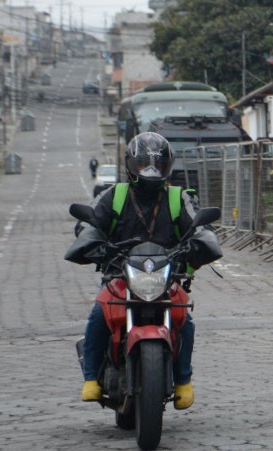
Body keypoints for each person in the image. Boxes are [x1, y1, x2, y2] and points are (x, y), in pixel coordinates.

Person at [80, 132, 200, 409]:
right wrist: (87, 240)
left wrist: (202, 240)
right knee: (99, 313)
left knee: (186, 321)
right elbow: (91, 225)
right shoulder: (115, 195)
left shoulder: (178, 198)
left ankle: (183, 380)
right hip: (120, 276)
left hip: (165, 277)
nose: (151, 170)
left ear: (168, 166)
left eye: (157, 164)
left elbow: (198, 226)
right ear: (131, 165)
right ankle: (90, 379)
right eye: (145, 163)